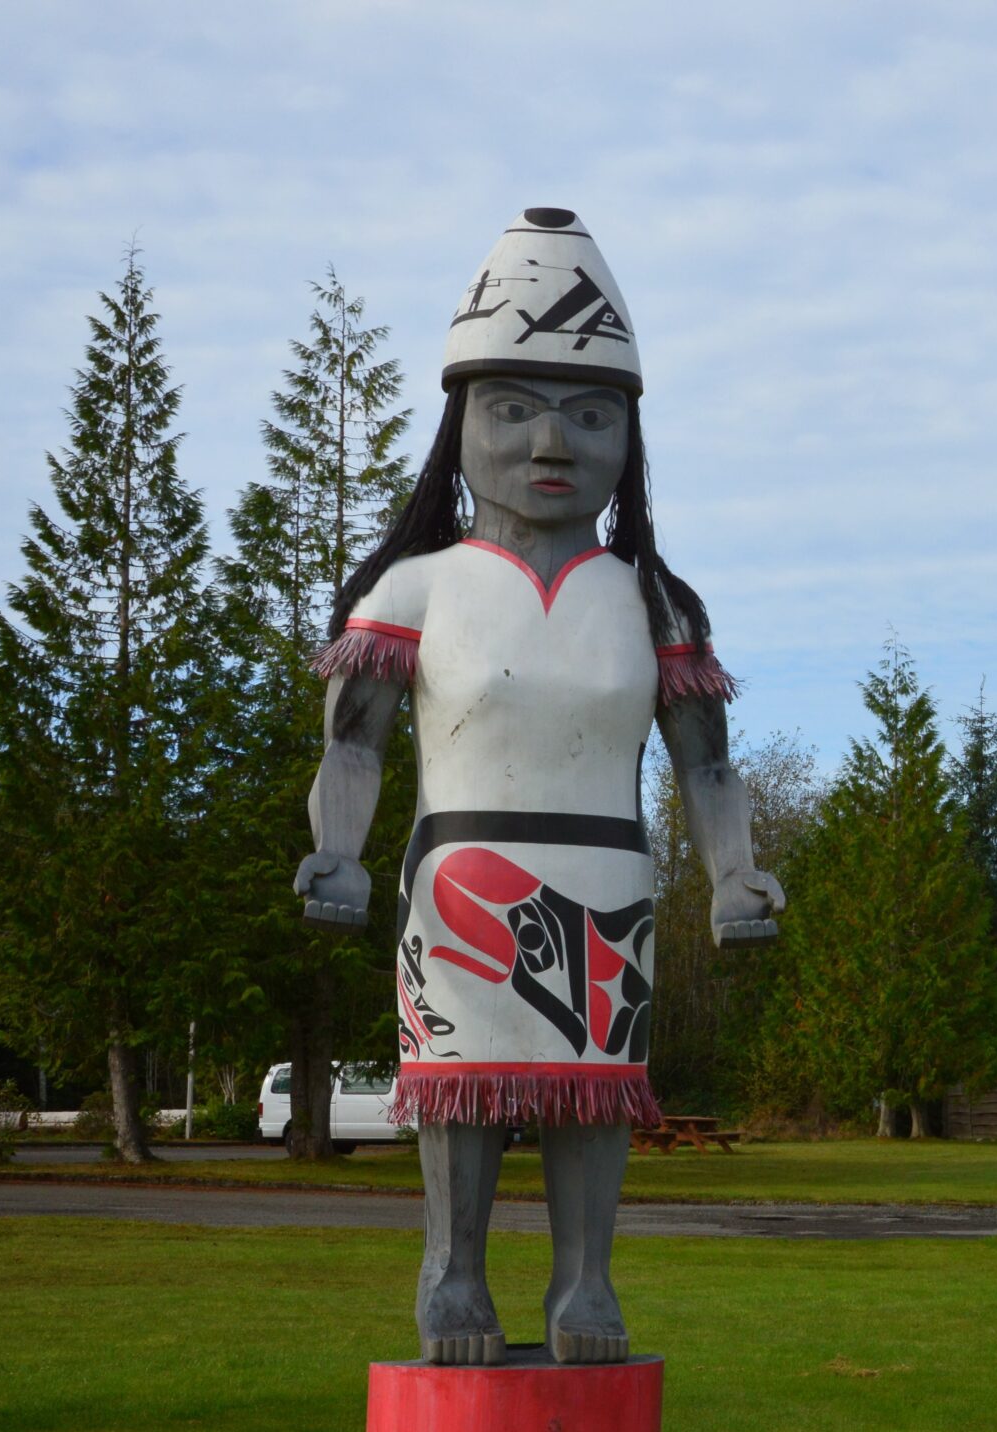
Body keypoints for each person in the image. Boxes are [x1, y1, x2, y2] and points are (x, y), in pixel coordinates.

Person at [296, 209, 783, 1365]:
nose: (550, 442)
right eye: (511, 409)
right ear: (461, 425)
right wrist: (340, 849)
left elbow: (706, 760)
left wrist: (735, 869)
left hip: (606, 873)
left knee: (593, 1089)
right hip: (461, 868)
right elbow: (354, 744)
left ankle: (586, 1284)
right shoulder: (414, 590)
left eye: (589, 413)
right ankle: (452, 1274)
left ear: (629, 436)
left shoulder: (654, 604)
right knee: (461, 1083)